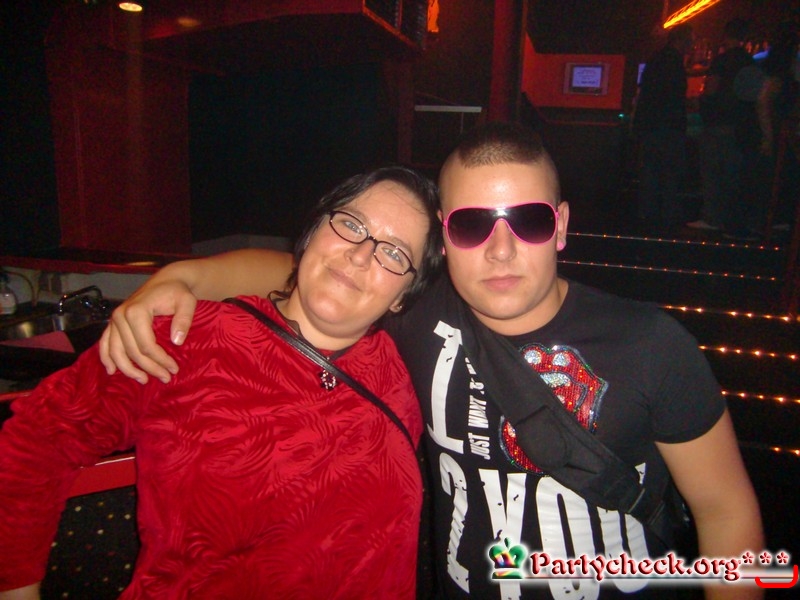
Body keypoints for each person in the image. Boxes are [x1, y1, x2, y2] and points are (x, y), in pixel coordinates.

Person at [101, 122, 764, 600]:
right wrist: (182, 278)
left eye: (528, 221)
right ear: (444, 238)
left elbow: (725, 512)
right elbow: (304, 270)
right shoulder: (415, 313)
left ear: (561, 226)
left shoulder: (651, 344)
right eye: (474, 225)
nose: (500, 250)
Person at [0, 165, 444, 599]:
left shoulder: (411, 362)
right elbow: (35, 439)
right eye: (351, 224)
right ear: (313, 231)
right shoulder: (185, 337)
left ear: (404, 296)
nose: (360, 254)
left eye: (394, 253)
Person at [688, 19, 760, 237]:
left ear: (726, 35)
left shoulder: (722, 61)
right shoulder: (750, 61)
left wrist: (699, 103)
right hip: (741, 126)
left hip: (718, 122)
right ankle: (732, 220)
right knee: (733, 176)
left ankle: (712, 218)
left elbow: (710, 90)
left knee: (712, 173)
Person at [634, 24, 695, 234]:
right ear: (682, 40)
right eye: (691, 40)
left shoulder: (656, 59)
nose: (692, 45)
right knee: (670, 172)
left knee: (651, 171)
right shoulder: (673, 62)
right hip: (668, 126)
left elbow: (645, 95)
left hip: (652, 125)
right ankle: (668, 217)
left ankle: (647, 214)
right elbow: (673, 99)